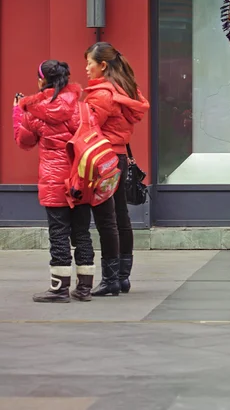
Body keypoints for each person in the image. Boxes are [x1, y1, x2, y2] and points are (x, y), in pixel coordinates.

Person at [12, 60, 96, 303]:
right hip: (81, 179)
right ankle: (84, 288)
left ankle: (59, 288)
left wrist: (17, 111)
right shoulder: (83, 108)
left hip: (54, 180)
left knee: (58, 233)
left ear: (42, 81)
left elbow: (24, 141)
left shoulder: (34, 111)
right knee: (82, 233)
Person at [84, 42, 149, 296]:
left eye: (89, 62)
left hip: (103, 158)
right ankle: (122, 277)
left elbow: (88, 131)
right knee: (121, 217)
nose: (86, 67)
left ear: (102, 65)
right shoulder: (126, 90)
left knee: (105, 219)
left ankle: (110, 280)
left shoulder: (102, 94)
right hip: (119, 157)